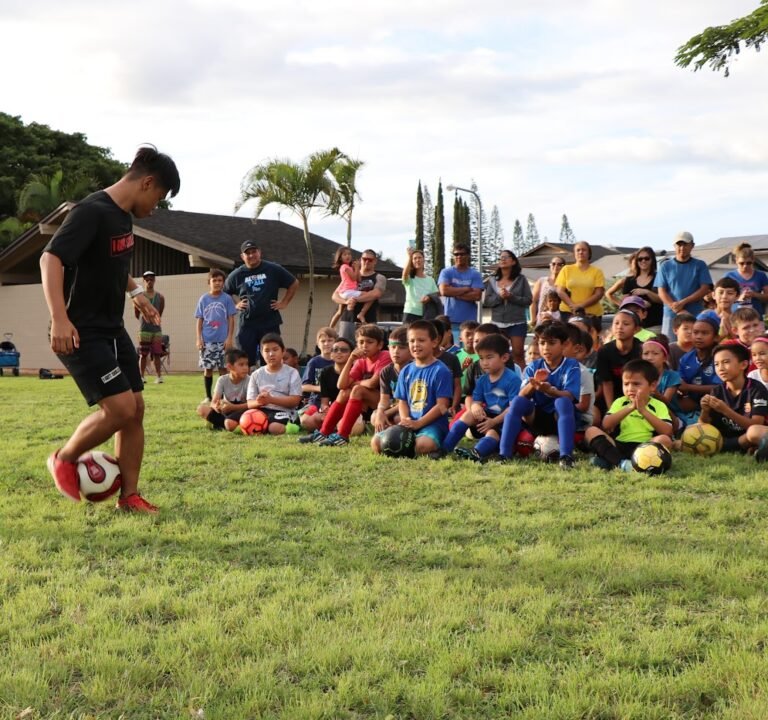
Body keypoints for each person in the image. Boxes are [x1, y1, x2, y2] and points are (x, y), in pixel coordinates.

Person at [41, 145, 180, 513]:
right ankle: (65, 459)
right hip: (79, 330)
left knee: (135, 408)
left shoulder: (123, 217)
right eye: (160, 197)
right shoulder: (91, 211)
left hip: (111, 327)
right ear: (147, 183)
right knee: (118, 408)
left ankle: (129, 497)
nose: (156, 207)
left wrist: (137, 293)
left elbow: (113, 264)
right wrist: (59, 317)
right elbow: (50, 258)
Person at [499, 322, 581, 468]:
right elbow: (522, 394)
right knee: (518, 402)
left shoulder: (571, 365)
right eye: (542, 343)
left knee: (562, 402)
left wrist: (551, 391)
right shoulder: (534, 366)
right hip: (537, 419)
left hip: (560, 419)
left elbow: (570, 395)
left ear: (564, 345)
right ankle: (504, 454)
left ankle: (566, 456)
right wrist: (534, 383)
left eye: (552, 343)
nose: (546, 347)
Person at [440, 333, 521, 462]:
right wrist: (476, 406)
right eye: (481, 358)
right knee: (467, 414)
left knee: (492, 434)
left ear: (504, 357)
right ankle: (444, 448)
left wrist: (493, 422)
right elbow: (476, 400)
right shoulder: (483, 379)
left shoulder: (513, 380)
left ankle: (476, 452)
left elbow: (513, 409)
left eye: (489, 357)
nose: (484, 363)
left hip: (503, 422)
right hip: (485, 417)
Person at [307, 324, 392, 446]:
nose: (364, 346)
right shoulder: (361, 360)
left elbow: (373, 383)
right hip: (372, 401)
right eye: (361, 342)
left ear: (379, 345)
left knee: (357, 389)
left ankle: (342, 435)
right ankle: (324, 432)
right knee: (344, 392)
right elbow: (341, 385)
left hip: (389, 401)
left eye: (369, 342)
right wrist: (351, 360)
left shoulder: (384, 356)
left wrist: (357, 383)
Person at [377, 320, 453, 456]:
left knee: (423, 445)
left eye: (421, 340)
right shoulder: (406, 371)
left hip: (432, 425)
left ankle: (425, 447)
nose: (416, 345)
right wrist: (406, 420)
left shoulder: (441, 371)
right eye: (411, 341)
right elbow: (403, 401)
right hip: (410, 423)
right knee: (376, 443)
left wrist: (419, 423)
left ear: (434, 343)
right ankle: (409, 446)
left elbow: (442, 406)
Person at [586, 359, 673, 471]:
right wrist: (631, 407)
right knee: (591, 431)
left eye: (636, 384)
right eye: (626, 384)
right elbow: (606, 425)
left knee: (665, 440)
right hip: (619, 445)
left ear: (652, 386)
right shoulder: (620, 402)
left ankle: (610, 462)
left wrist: (643, 411)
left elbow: (667, 431)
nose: (630, 389)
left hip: (645, 447)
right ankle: (622, 463)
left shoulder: (658, 405)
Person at [223, 240, 299, 368]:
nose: (252, 255)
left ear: (260, 252)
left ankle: (271, 387)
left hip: (269, 322)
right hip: (247, 324)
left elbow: (294, 283)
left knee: (271, 359)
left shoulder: (273, 269)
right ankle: (247, 387)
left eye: (254, 252)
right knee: (245, 359)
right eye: (248, 253)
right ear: (242, 256)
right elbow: (225, 293)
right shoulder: (237, 275)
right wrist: (236, 304)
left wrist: (284, 302)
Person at [697, 342, 768, 454]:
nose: (720, 368)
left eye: (726, 362)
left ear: (743, 365)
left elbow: (756, 424)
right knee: (692, 431)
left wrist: (726, 410)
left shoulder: (757, 389)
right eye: (716, 364)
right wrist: (704, 411)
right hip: (724, 439)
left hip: (748, 436)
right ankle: (749, 448)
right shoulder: (717, 391)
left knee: (754, 432)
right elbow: (703, 425)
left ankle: (753, 448)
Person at [299, 337, 365, 437]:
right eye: (335, 350)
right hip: (332, 411)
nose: (339, 352)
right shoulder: (325, 372)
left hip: (349, 411)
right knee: (306, 421)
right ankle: (331, 428)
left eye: (344, 350)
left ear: (351, 354)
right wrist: (326, 409)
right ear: (331, 354)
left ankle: (335, 428)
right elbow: (324, 402)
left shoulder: (356, 370)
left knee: (351, 427)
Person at [656, 231, 713, 339]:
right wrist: (678, 309)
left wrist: (684, 302)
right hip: (671, 314)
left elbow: (705, 288)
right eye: (679, 244)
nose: (682, 247)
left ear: (692, 246)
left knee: (695, 344)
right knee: (669, 346)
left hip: (694, 313)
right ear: (674, 246)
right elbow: (661, 291)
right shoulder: (665, 266)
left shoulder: (700, 265)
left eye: (685, 244)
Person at [483, 249, 532, 369]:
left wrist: (511, 297)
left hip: (517, 322)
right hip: (497, 322)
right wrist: (500, 297)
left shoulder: (521, 279)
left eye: (506, 257)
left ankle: (522, 380)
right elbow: (487, 301)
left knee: (518, 353)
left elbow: (528, 300)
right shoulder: (492, 280)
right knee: (499, 353)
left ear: (514, 262)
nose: (503, 259)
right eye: (501, 258)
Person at [246, 333, 302, 435]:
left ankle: (291, 427)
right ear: (261, 353)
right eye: (267, 351)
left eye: (275, 350)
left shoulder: (292, 372)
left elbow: (295, 401)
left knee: (274, 427)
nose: (271, 354)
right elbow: (250, 403)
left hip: (285, 411)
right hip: (262, 410)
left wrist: (271, 399)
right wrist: (260, 401)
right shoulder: (256, 374)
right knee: (237, 421)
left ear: (283, 351)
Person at [195, 268, 237, 402]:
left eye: (220, 280)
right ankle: (208, 396)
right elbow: (199, 320)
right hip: (207, 341)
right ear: (209, 282)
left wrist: (229, 338)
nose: (217, 283)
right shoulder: (203, 299)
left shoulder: (227, 299)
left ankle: (223, 397)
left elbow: (231, 319)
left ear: (223, 282)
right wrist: (199, 339)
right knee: (208, 369)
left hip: (222, 341)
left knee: (223, 369)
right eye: (214, 280)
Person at [677, 311, 722, 427]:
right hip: (693, 402)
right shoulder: (685, 359)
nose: (699, 336)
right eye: (695, 332)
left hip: (717, 404)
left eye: (705, 333)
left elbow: (720, 387)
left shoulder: (721, 357)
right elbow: (681, 384)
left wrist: (688, 387)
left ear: (716, 337)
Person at [332, 249, 388, 341]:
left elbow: (376, 294)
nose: (366, 261)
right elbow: (335, 295)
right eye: (364, 259)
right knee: (345, 349)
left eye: (370, 260)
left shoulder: (379, 277)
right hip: (347, 320)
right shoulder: (349, 274)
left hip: (367, 321)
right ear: (360, 259)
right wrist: (346, 301)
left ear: (375, 261)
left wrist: (355, 299)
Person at [595, 310, 644, 413]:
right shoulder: (604, 351)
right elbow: (607, 383)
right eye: (616, 323)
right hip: (612, 398)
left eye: (626, 324)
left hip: (637, 397)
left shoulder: (642, 350)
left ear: (635, 329)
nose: (619, 327)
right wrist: (611, 410)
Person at [605, 247, 663, 332]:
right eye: (640, 259)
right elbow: (625, 302)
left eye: (647, 258)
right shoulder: (629, 280)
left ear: (652, 260)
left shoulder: (659, 277)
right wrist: (640, 303)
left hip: (655, 323)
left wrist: (646, 292)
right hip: (634, 326)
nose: (643, 261)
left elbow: (663, 299)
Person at [554, 241, 605, 329]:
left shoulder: (597, 271)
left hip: (591, 314)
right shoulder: (566, 269)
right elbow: (560, 290)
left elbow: (599, 293)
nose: (581, 252)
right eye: (578, 250)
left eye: (584, 250)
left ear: (589, 253)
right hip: (568, 312)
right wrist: (573, 306)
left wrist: (581, 306)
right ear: (574, 254)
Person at [371, 326, 412, 434]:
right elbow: (384, 399)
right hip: (393, 408)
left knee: (399, 419)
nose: (396, 351)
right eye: (393, 347)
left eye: (401, 347)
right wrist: (380, 412)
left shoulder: (414, 370)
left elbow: (409, 401)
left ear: (411, 348)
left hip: (410, 409)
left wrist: (386, 414)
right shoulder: (386, 371)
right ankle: (391, 431)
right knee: (374, 416)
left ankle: (396, 432)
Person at [196, 348, 250, 431]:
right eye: (241, 365)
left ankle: (222, 424)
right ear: (229, 367)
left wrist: (232, 407)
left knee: (230, 424)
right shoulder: (222, 380)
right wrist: (217, 407)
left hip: (241, 411)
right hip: (226, 410)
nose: (245, 368)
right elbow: (213, 402)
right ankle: (223, 423)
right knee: (201, 409)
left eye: (246, 364)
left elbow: (251, 405)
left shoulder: (249, 380)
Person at [438, 243, 484, 332]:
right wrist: (466, 289)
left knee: (468, 346)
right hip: (451, 321)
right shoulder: (446, 272)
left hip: (470, 322)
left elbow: (477, 296)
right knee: (454, 346)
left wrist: (454, 293)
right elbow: (444, 291)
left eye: (462, 254)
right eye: (456, 254)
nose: (459, 256)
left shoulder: (475, 274)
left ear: (468, 256)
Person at [299, 327, 337, 421]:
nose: (326, 343)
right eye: (323, 341)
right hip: (316, 401)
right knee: (305, 421)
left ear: (336, 342)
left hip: (336, 400)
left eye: (330, 340)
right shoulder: (314, 362)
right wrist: (321, 388)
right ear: (317, 344)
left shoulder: (340, 361)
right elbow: (304, 386)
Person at [329, 247, 372, 327]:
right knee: (369, 296)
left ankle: (331, 327)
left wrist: (357, 268)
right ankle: (362, 314)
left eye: (349, 254)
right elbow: (354, 278)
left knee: (339, 311)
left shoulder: (350, 267)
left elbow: (358, 279)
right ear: (340, 257)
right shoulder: (344, 267)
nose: (348, 256)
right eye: (345, 254)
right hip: (348, 292)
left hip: (345, 291)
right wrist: (356, 268)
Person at [136, 270, 166, 382]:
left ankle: (158, 377)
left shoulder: (160, 297)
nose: (149, 281)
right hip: (144, 330)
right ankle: (141, 376)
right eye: (147, 279)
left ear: (154, 280)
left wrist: (154, 320)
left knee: (157, 353)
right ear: (144, 281)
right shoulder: (139, 296)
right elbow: (137, 313)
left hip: (156, 329)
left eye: (151, 279)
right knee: (143, 354)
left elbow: (160, 312)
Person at [724, 242, 768, 317]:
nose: (745, 266)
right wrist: (739, 297)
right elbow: (723, 298)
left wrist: (754, 294)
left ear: (753, 260)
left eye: (748, 263)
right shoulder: (729, 276)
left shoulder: (761, 275)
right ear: (736, 260)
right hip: (735, 316)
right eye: (742, 263)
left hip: (756, 316)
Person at [401, 247, 440, 323]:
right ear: (411, 261)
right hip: (411, 312)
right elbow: (404, 274)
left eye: (419, 258)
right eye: (414, 258)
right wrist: (409, 257)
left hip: (426, 314)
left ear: (424, 260)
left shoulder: (430, 279)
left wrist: (429, 297)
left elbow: (436, 294)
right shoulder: (410, 279)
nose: (417, 260)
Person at [530, 256, 565, 326]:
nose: (556, 266)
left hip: (559, 321)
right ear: (550, 265)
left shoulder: (565, 283)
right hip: (542, 319)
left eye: (559, 264)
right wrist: (533, 318)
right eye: (553, 264)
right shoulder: (542, 281)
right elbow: (533, 301)